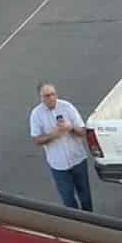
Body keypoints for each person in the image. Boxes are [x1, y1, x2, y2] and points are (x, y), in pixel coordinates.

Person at [29, 83, 92, 212]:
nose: (51, 98)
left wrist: (71, 127)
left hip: (77, 160)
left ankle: (91, 223)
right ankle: (74, 223)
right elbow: (36, 140)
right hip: (58, 165)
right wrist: (53, 134)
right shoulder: (36, 114)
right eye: (47, 95)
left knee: (85, 195)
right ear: (41, 98)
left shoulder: (67, 107)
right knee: (68, 199)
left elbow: (82, 131)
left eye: (53, 94)